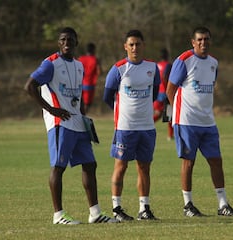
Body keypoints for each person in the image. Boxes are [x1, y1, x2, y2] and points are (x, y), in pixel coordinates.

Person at [24, 27, 117, 225]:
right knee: (58, 167)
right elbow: (29, 86)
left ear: (76, 42)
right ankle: (58, 215)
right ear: (59, 43)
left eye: (70, 39)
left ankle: (95, 213)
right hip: (60, 123)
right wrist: (51, 109)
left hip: (77, 122)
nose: (67, 43)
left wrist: (84, 117)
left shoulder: (79, 65)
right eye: (63, 39)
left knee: (90, 164)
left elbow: (78, 94)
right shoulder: (50, 64)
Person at [166, 26, 233, 217]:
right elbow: (170, 90)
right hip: (186, 122)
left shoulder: (213, 63)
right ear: (193, 42)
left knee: (216, 161)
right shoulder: (184, 60)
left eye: (206, 39)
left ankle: (223, 204)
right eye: (199, 40)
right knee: (188, 163)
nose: (203, 43)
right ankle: (188, 205)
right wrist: (178, 114)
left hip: (208, 122)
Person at [103, 29, 160, 221]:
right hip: (125, 127)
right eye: (131, 44)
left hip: (147, 127)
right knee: (121, 166)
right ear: (125, 47)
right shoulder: (118, 68)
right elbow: (107, 96)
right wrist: (122, 112)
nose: (135, 47)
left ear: (143, 45)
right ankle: (116, 208)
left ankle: (144, 208)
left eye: (138, 44)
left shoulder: (152, 68)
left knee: (144, 168)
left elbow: (154, 93)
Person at [153, 48, 174, 141]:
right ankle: (170, 135)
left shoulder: (156, 65)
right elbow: (167, 77)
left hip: (158, 92)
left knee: (158, 113)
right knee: (169, 115)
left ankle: (144, 126)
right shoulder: (168, 65)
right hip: (166, 92)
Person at [78, 42, 101, 114]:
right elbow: (99, 71)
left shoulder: (80, 59)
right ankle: (83, 118)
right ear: (94, 50)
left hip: (79, 84)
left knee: (79, 103)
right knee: (87, 104)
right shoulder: (95, 60)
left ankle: (80, 117)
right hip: (89, 85)